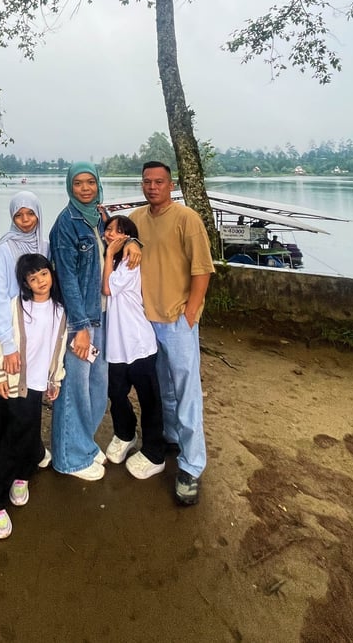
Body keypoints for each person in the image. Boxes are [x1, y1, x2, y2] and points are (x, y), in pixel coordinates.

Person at [128, 161, 215, 506]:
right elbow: (116, 245)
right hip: (146, 321)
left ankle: (191, 466)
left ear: (171, 184)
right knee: (162, 386)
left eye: (159, 182)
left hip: (177, 320)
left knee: (186, 391)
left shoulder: (186, 219)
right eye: (147, 181)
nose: (152, 187)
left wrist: (190, 313)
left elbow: (202, 270)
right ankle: (170, 436)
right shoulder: (136, 219)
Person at [49, 161, 140, 481]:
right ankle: (69, 457)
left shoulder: (100, 217)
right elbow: (67, 279)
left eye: (90, 182)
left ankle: (84, 443)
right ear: (69, 186)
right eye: (78, 183)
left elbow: (120, 238)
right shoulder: (66, 223)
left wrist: (134, 242)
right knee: (75, 387)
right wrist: (79, 328)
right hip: (82, 317)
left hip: (103, 313)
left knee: (97, 385)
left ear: (98, 184)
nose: (85, 188)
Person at [0, 253, 67, 539]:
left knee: (29, 431)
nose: (40, 281)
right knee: (14, 437)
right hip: (16, 383)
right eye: (33, 277)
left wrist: (55, 379)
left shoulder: (59, 310)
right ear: (25, 283)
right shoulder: (16, 306)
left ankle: (21, 475)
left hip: (39, 384)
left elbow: (58, 347)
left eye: (44, 273)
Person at [0, 191, 51, 477]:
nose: (25, 220)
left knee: (28, 397)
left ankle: (32, 450)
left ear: (38, 214)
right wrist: (7, 344)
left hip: (34, 331)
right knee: (0, 393)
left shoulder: (45, 245)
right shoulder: (6, 247)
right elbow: (2, 295)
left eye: (30, 214)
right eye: (19, 215)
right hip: (7, 330)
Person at [102, 215, 166, 476]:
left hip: (139, 343)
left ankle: (154, 452)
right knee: (116, 394)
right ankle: (125, 434)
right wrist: (112, 252)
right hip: (116, 344)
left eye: (118, 231)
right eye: (108, 229)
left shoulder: (130, 261)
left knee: (149, 399)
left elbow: (108, 289)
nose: (111, 234)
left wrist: (112, 253)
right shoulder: (115, 259)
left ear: (128, 236)